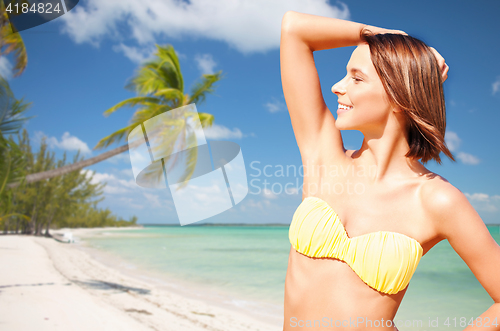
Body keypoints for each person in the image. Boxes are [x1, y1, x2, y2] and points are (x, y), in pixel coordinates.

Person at [280, 11, 500, 331]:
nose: (337, 87)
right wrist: (393, 38)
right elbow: (294, 30)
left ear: (399, 94)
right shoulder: (323, 159)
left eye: (356, 78)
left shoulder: (436, 200)